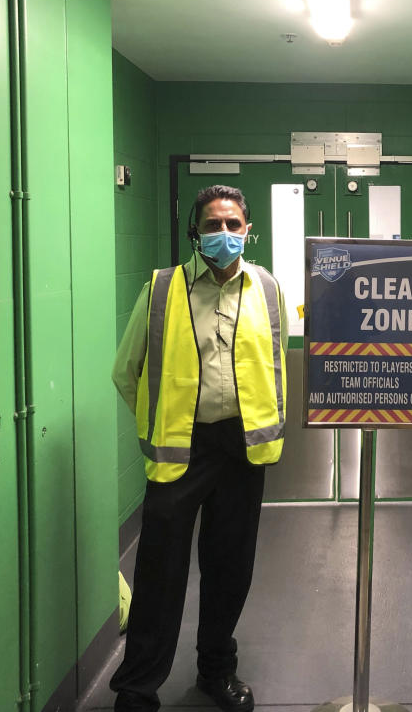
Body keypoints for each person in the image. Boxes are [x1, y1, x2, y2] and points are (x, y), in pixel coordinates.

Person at [110, 185, 287, 712]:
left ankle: (216, 672)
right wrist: (163, 421)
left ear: (249, 230)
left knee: (230, 569)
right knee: (160, 574)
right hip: (180, 450)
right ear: (195, 233)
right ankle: (137, 690)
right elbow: (126, 372)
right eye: (214, 225)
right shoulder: (162, 289)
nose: (225, 234)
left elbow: (277, 364)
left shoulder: (268, 288)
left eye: (234, 225)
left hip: (241, 449)